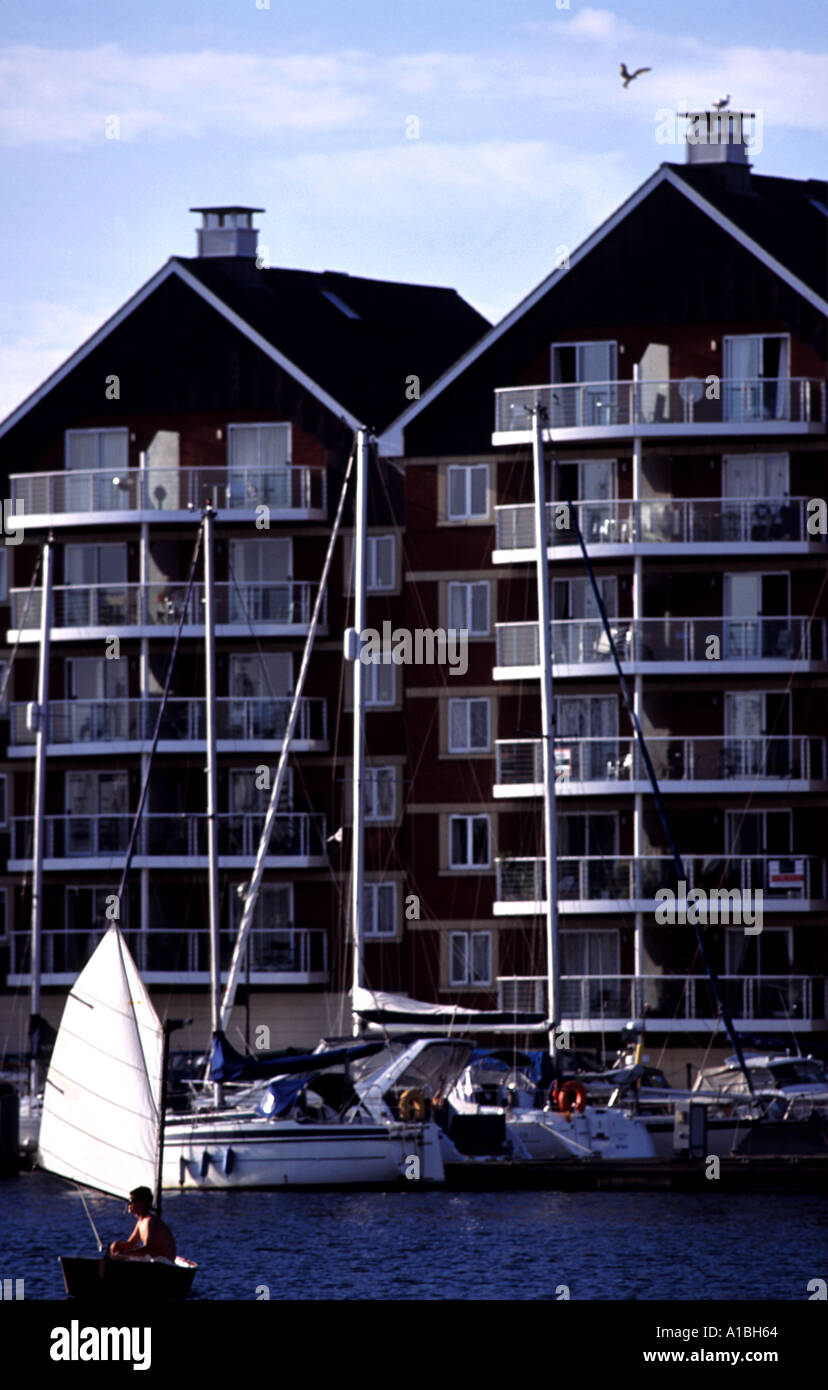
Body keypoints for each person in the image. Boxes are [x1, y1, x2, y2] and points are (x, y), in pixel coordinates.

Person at [108, 1186, 177, 1262]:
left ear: (142, 1203)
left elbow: (149, 1248)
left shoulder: (149, 1221)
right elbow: (131, 1244)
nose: (129, 1203)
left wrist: (125, 1254)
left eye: (132, 1200)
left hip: (164, 1263)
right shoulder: (141, 1221)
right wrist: (116, 1245)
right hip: (155, 1260)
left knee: (126, 1258)